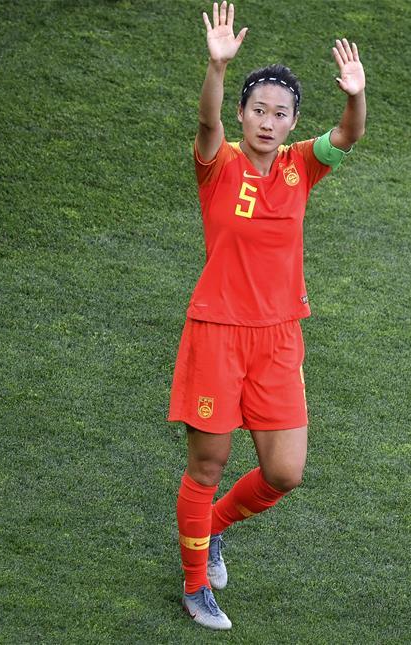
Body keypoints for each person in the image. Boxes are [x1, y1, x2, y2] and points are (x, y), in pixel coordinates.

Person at [167, 1, 366, 630]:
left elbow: (349, 137)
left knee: (285, 471)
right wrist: (217, 67)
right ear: (243, 113)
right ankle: (195, 585)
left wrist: (356, 98)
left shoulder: (301, 165)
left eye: (281, 114)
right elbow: (204, 121)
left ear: (292, 122)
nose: (268, 121)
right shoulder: (217, 164)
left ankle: (216, 529)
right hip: (216, 334)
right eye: (259, 110)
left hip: (279, 338)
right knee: (208, 464)